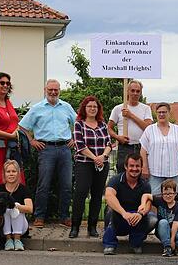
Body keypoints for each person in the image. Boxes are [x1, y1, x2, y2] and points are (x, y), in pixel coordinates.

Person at [18, 79, 77, 228]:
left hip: (64, 149)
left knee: (67, 185)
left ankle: (64, 217)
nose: (53, 92)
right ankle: (39, 217)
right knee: (44, 184)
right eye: (50, 89)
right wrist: (31, 141)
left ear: (59, 91)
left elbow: (79, 123)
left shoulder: (66, 107)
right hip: (46, 149)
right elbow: (22, 127)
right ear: (45, 90)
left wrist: (75, 138)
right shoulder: (37, 108)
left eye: (56, 90)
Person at [70, 96, 112, 238]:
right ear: (84, 108)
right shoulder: (79, 124)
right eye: (89, 106)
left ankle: (92, 227)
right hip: (84, 163)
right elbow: (79, 145)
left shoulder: (103, 125)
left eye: (95, 107)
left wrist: (103, 157)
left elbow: (109, 144)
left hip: (102, 164)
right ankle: (75, 227)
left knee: (97, 195)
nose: (92, 109)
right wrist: (95, 158)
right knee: (80, 194)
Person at [102, 153, 158, 255]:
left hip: (136, 217)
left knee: (152, 219)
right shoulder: (115, 180)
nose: (134, 169)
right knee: (110, 209)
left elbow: (148, 203)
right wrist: (124, 213)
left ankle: (135, 243)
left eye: (137, 166)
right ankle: (109, 244)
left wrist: (140, 214)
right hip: (119, 216)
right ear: (125, 166)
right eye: (131, 166)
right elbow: (109, 196)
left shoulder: (145, 184)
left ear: (141, 168)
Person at [0, 72, 25, 198]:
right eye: (2, 83)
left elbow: (15, 121)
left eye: (8, 83)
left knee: (14, 174)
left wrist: (16, 133)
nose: (5, 85)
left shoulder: (8, 102)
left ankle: (16, 207)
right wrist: (10, 136)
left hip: (11, 147)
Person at [139, 102, 178, 195]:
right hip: (154, 173)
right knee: (154, 199)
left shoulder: (177, 130)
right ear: (156, 114)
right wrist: (144, 167)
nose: (161, 114)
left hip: (173, 172)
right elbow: (143, 149)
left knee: (171, 199)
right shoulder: (149, 130)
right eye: (159, 112)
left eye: (164, 112)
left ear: (169, 113)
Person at [107, 80, 152, 173]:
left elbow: (148, 128)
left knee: (141, 175)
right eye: (132, 90)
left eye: (138, 91)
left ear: (141, 93)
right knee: (123, 174)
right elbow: (109, 128)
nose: (135, 93)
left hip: (141, 147)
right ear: (127, 91)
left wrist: (131, 115)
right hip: (124, 147)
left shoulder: (146, 108)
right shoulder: (118, 108)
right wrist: (118, 137)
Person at [0, 160, 32, 251]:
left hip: (21, 228)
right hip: (2, 226)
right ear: (4, 174)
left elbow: (30, 209)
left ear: (18, 173)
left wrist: (15, 206)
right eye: (8, 172)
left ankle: (17, 240)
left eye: (14, 171)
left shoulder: (23, 189)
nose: (11, 174)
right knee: (5, 208)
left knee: (15, 207)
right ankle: (8, 240)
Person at [153, 179, 178, 257]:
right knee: (163, 222)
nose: (168, 196)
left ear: (175, 194)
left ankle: (170, 246)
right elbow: (146, 196)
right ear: (161, 194)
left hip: (175, 230)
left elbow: (175, 225)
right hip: (162, 230)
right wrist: (143, 204)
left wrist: (172, 240)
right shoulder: (159, 200)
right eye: (165, 194)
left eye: (170, 193)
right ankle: (168, 247)